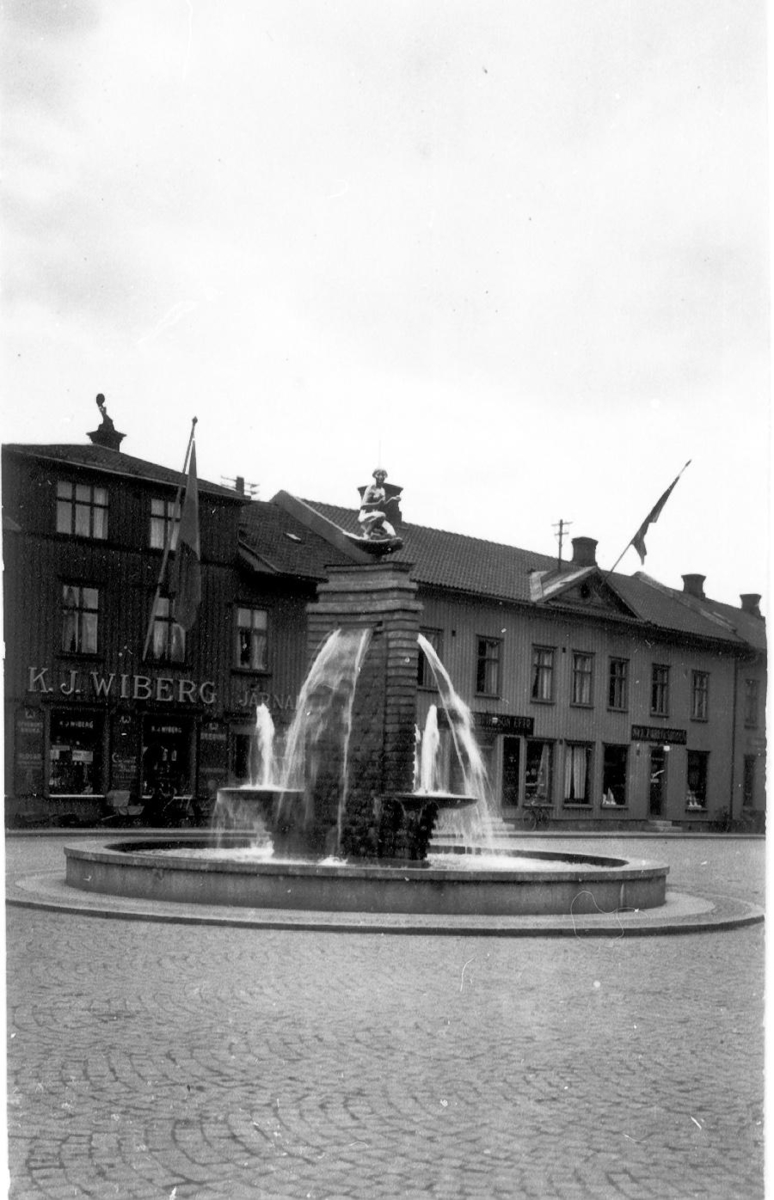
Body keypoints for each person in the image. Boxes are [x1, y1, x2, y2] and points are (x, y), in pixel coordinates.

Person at [358, 468, 396, 539]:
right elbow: (362, 506)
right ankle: (367, 534)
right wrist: (377, 504)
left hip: (377, 518)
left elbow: (382, 507)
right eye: (379, 475)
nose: (381, 477)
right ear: (375, 476)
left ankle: (377, 538)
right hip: (365, 518)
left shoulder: (382, 490)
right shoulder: (371, 488)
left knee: (391, 532)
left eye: (383, 475)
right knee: (382, 515)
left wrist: (392, 500)